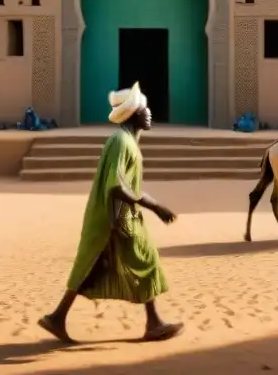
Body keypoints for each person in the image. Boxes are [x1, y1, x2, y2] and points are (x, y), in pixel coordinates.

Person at [38, 82, 182, 344]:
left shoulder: (125, 141)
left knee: (94, 267)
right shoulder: (122, 142)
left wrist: (155, 205)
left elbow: (128, 186)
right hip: (116, 219)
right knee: (145, 262)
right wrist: (154, 207)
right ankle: (153, 323)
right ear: (133, 113)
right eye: (144, 108)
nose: (149, 112)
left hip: (119, 217)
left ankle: (57, 317)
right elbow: (116, 186)